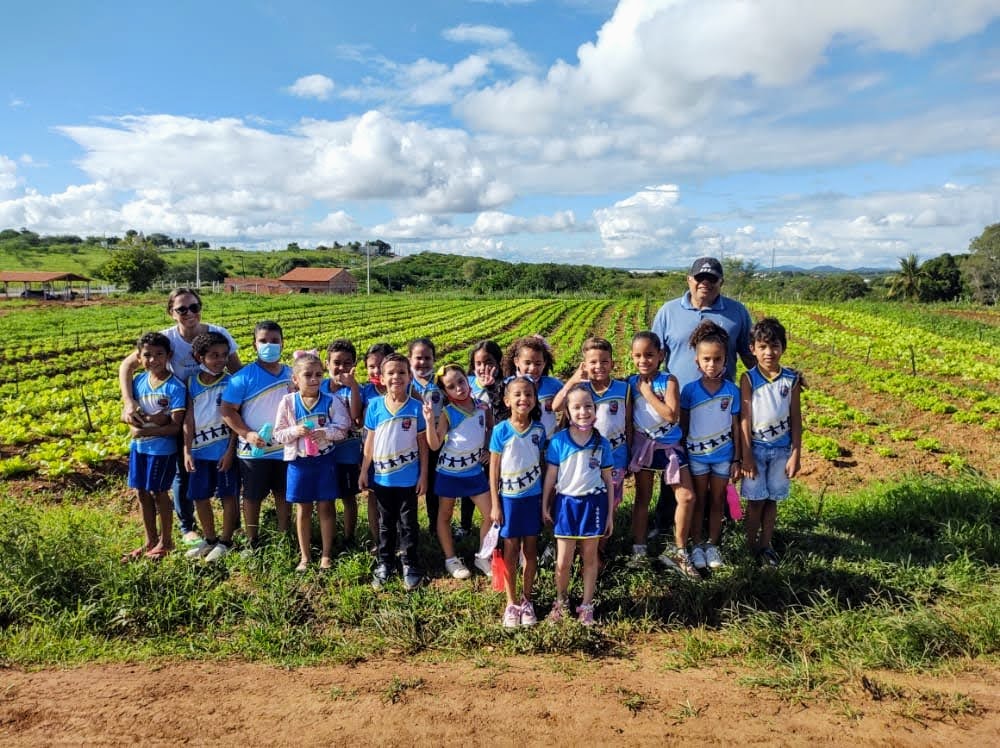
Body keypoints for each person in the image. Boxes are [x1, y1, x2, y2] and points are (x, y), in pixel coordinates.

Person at [118, 288, 242, 547]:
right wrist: (129, 403)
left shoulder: (218, 335)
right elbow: (127, 366)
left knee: (222, 483)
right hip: (181, 410)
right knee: (182, 471)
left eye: (194, 307)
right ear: (171, 312)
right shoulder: (166, 339)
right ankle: (188, 527)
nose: (189, 313)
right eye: (182, 309)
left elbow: (237, 372)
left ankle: (230, 531)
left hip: (212, 415)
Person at [650, 258, 755, 537]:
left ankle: (709, 527)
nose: (704, 283)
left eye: (712, 279)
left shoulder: (737, 312)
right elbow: (653, 355)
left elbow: (748, 355)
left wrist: (776, 377)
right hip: (676, 406)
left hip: (718, 407)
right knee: (674, 464)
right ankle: (664, 524)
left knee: (713, 466)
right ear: (689, 280)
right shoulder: (669, 311)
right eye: (699, 278)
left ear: (721, 282)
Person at [552, 337, 631, 566]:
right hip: (580, 461)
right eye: (593, 362)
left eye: (604, 361)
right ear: (584, 364)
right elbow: (556, 406)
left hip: (615, 456)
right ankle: (578, 546)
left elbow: (627, 424)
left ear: (612, 363)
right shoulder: (580, 390)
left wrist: (631, 454)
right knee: (581, 499)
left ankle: (599, 549)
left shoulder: (622, 389)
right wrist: (574, 379)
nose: (599, 366)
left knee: (609, 502)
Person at [542, 384, 614, 625]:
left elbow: (608, 481)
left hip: (593, 504)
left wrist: (610, 515)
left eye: (588, 406)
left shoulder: (602, 443)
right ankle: (561, 601)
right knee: (563, 561)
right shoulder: (559, 441)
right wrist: (545, 504)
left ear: (595, 409)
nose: (583, 411)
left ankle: (586, 605)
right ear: (568, 412)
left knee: (590, 558)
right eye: (576, 407)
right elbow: (551, 478)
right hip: (566, 505)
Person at [274, 352, 351, 571]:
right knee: (303, 508)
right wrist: (295, 431)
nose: (314, 379)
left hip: (324, 461)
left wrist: (325, 433)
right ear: (295, 379)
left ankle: (326, 554)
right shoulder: (288, 402)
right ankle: (305, 556)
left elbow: (343, 429)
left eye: (318, 374)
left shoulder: (330, 401)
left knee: (326, 505)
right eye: (307, 375)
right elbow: (279, 433)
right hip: (299, 463)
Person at [221, 321, 292, 552]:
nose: (269, 345)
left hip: (285, 448)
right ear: (254, 345)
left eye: (274, 341)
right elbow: (227, 410)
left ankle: (284, 537)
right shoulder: (243, 377)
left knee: (283, 493)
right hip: (254, 451)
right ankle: (252, 540)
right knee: (252, 497)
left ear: (283, 344)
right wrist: (247, 433)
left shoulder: (293, 376)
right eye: (263, 341)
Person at [359, 353, 428, 591]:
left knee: (409, 524)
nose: (396, 377)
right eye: (390, 373)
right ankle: (385, 562)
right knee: (385, 522)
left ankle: (410, 563)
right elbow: (370, 441)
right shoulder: (375, 406)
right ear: (381, 377)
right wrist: (364, 470)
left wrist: (424, 475)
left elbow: (423, 446)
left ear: (409, 377)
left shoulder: (417, 408)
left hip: (409, 478)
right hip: (382, 478)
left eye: (401, 372)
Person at [740, 317, 802, 567]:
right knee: (755, 502)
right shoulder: (748, 379)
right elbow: (745, 419)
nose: (769, 352)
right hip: (755, 448)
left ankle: (766, 545)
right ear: (753, 349)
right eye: (762, 347)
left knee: (772, 499)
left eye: (774, 345)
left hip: (781, 450)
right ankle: (750, 545)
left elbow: (796, 418)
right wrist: (746, 454)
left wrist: (796, 453)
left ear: (783, 347)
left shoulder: (791, 380)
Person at [680, 321, 742, 571]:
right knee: (698, 500)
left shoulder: (732, 391)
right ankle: (696, 545)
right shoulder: (689, 391)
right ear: (697, 361)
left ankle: (712, 544)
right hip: (696, 456)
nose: (711, 364)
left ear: (726, 359)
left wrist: (737, 458)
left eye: (717, 359)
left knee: (717, 500)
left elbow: (737, 427)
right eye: (706, 359)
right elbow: (683, 427)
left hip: (723, 456)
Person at [121, 332, 186, 563]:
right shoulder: (138, 382)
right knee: (141, 492)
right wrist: (133, 421)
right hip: (138, 447)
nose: (153, 360)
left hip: (161, 450)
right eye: (147, 355)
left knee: (159, 493)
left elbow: (175, 428)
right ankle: (150, 540)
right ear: (139, 357)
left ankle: (166, 541)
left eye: (159, 354)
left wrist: (147, 430)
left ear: (168, 355)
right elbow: (128, 414)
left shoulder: (175, 387)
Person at [425, 364, 494, 580]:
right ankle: (451, 558)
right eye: (451, 386)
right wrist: (429, 422)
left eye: (461, 382)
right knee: (444, 515)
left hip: (474, 470)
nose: (459, 389)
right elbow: (435, 445)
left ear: (468, 379)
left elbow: (490, 427)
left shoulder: (483, 406)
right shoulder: (447, 413)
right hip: (449, 472)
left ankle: (483, 556)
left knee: (490, 516)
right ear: (445, 392)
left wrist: (488, 449)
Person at [489, 375, 546, 627]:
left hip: (532, 499)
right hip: (509, 500)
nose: (524, 399)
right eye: (518, 395)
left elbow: (543, 465)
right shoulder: (501, 430)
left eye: (529, 394)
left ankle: (527, 599)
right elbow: (494, 470)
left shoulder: (539, 430)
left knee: (530, 550)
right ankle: (511, 603)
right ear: (507, 400)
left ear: (534, 400)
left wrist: (546, 499)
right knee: (511, 550)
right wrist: (495, 503)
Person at [182, 332, 240, 563]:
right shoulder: (191, 383)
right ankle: (209, 538)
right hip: (198, 450)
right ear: (199, 357)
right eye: (214, 355)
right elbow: (188, 418)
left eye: (224, 355)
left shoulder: (231, 382)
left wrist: (230, 451)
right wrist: (186, 450)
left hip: (223, 452)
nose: (220, 360)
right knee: (200, 496)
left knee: (228, 496)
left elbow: (236, 417)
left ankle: (226, 541)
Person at [626, 331, 683, 563]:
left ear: (660, 355)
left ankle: (679, 547)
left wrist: (648, 394)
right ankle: (639, 547)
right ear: (631, 356)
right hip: (643, 447)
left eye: (649, 355)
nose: (643, 361)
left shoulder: (669, 380)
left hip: (669, 446)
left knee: (683, 496)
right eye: (638, 355)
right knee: (643, 497)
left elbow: (671, 415)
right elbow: (628, 420)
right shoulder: (630, 383)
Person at [323, 339, 363, 547]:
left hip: (347, 452)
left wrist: (354, 386)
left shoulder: (356, 389)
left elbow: (356, 416)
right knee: (326, 497)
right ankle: (328, 536)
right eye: (337, 362)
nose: (341, 368)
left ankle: (349, 537)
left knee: (348, 497)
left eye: (347, 363)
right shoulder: (317, 385)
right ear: (327, 363)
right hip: (322, 452)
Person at [463, 340, 504, 537]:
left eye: (489, 362)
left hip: (492, 449)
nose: (483, 368)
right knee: (467, 487)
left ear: (498, 363)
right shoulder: (467, 384)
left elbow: (502, 417)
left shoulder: (504, 386)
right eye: (478, 363)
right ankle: (464, 526)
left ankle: (495, 523)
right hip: (470, 448)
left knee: (491, 485)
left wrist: (491, 389)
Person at [360, 342, 394, 544]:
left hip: (398, 453)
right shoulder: (366, 391)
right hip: (372, 452)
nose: (375, 370)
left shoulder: (403, 389)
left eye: (380, 365)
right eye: (371, 366)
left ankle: (396, 538)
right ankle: (377, 539)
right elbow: (357, 419)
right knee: (373, 497)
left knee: (397, 497)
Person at [408, 337, 441, 534]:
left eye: (427, 358)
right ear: (410, 359)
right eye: (418, 358)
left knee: (434, 487)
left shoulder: (441, 382)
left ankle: (435, 527)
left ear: (434, 359)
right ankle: (410, 527)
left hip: (436, 441)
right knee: (411, 485)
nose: (423, 362)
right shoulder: (405, 381)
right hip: (410, 442)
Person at [501, 336, 563, 438]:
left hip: (548, 443)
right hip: (519, 442)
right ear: (516, 362)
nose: (533, 368)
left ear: (544, 363)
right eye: (527, 363)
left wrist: (561, 425)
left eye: (538, 363)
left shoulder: (553, 385)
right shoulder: (507, 385)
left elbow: (570, 402)